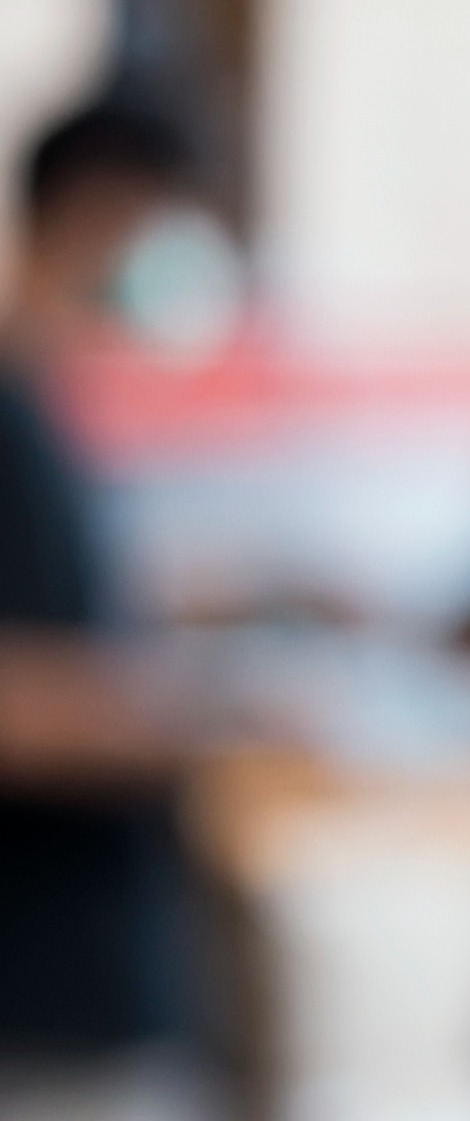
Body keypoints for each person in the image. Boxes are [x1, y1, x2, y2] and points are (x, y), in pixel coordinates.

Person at [0, 100, 203, 1103]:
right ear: (102, 212)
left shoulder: (48, 404)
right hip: (42, 1007)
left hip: (93, 994)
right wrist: (210, 716)